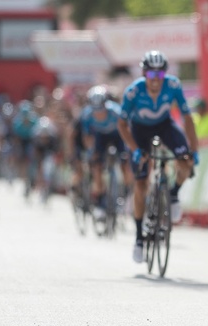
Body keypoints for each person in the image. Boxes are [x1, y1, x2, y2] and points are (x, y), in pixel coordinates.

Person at [117, 50, 199, 263]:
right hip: (139, 131)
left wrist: (194, 150)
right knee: (141, 184)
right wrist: (135, 150)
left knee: (185, 163)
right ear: (144, 74)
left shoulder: (173, 86)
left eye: (159, 75)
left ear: (165, 74)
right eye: (151, 75)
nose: (155, 80)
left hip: (164, 126)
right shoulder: (133, 91)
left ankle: (172, 194)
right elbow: (122, 124)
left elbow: (187, 118)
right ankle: (138, 239)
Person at [81, 85, 133, 220]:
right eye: (95, 111)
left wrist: (128, 149)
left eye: (101, 110)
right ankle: (99, 201)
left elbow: (127, 130)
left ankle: (127, 193)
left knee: (125, 163)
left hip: (118, 136)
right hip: (100, 137)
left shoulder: (116, 111)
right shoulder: (87, 115)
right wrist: (91, 152)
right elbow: (87, 137)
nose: (98, 114)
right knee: (96, 166)